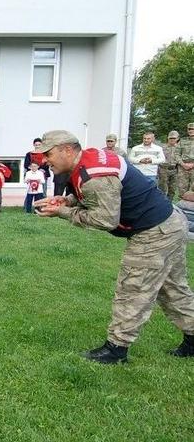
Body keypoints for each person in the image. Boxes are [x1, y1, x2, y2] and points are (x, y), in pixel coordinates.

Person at [35, 130, 194, 364]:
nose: (44, 160)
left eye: (48, 154)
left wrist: (63, 212)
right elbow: (102, 193)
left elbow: (105, 219)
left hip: (154, 232)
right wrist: (67, 200)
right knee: (172, 288)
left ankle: (116, 349)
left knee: (133, 289)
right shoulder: (91, 158)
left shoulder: (93, 176)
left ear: (67, 150)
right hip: (169, 223)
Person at [159, 131, 182, 200]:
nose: (172, 140)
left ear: (177, 138)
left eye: (174, 138)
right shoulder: (162, 148)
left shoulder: (180, 148)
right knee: (162, 189)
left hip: (175, 170)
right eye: (170, 138)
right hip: (164, 170)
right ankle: (161, 204)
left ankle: (170, 204)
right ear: (168, 138)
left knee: (172, 189)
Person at [179, 123, 194, 194]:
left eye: (193, 129)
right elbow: (176, 154)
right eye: (189, 129)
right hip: (183, 168)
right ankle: (181, 205)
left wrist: (192, 164)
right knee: (182, 190)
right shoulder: (182, 141)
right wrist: (183, 164)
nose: (191, 131)